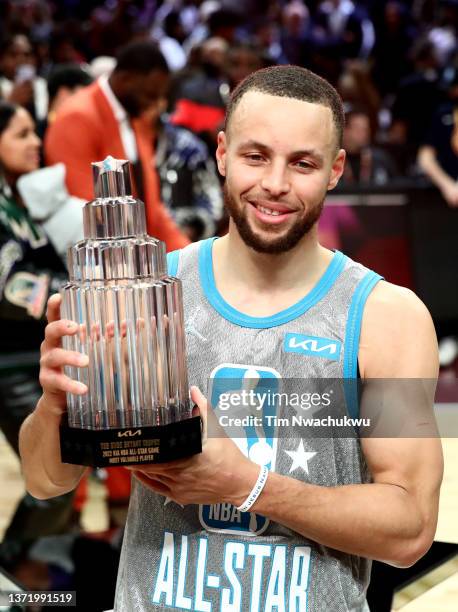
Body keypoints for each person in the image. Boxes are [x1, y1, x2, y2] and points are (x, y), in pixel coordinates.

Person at [20, 66, 443, 611]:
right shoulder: (147, 296)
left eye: (303, 163)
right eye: (255, 156)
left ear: (336, 169)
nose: (275, 184)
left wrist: (247, 485)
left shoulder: (387, 317)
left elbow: (409, 531)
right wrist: (56, 405)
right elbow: (43, 479)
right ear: (222, 153)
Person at [0, 101, 74, 579]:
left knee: (58, 477)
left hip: (33, 356)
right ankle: (12, 579)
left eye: (35, 133)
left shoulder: (18, 203)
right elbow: (8, 285)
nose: (35, 143)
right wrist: (76, 292)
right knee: (51, 476)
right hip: (9, 362)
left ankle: (20, 578)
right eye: (22, 134)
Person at [44, 40, 189, 252]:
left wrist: (188, 258)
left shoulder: (134, 112)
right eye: (150, 95)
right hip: (106, 263)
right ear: (125, 79)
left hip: (141, 256)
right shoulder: (77, 116)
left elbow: (152, 207)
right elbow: (88, 212)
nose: (154, 104)